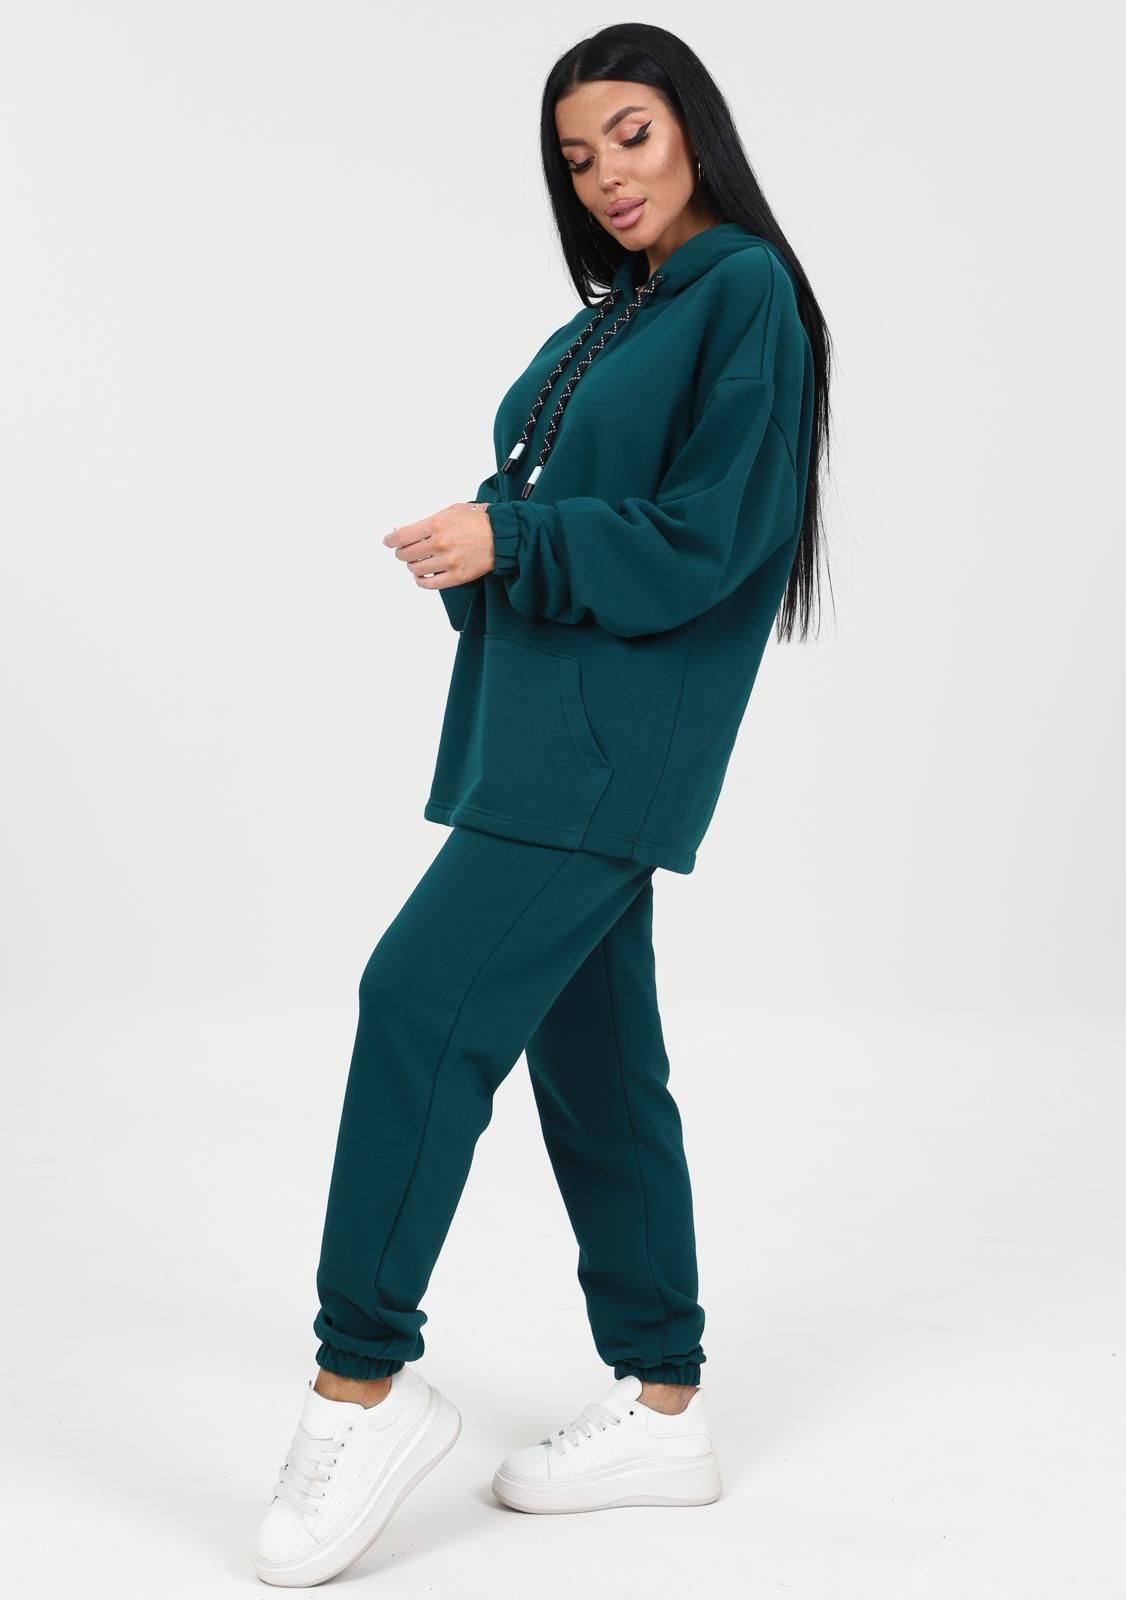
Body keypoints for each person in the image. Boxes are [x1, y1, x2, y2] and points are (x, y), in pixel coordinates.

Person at [252, 20, 831, 1588]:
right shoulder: (627, 309)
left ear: (694, 125)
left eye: (631, 134)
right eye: (578, 158)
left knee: (416, 1003)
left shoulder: (744, 293)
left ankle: (362, 1385)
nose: (607, 176)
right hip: (547, 731)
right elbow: (573, 495)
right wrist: (487, 529)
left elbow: (714, 534)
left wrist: (515, 543)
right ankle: (663, 1402)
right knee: (595, 1060)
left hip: (604, 745)